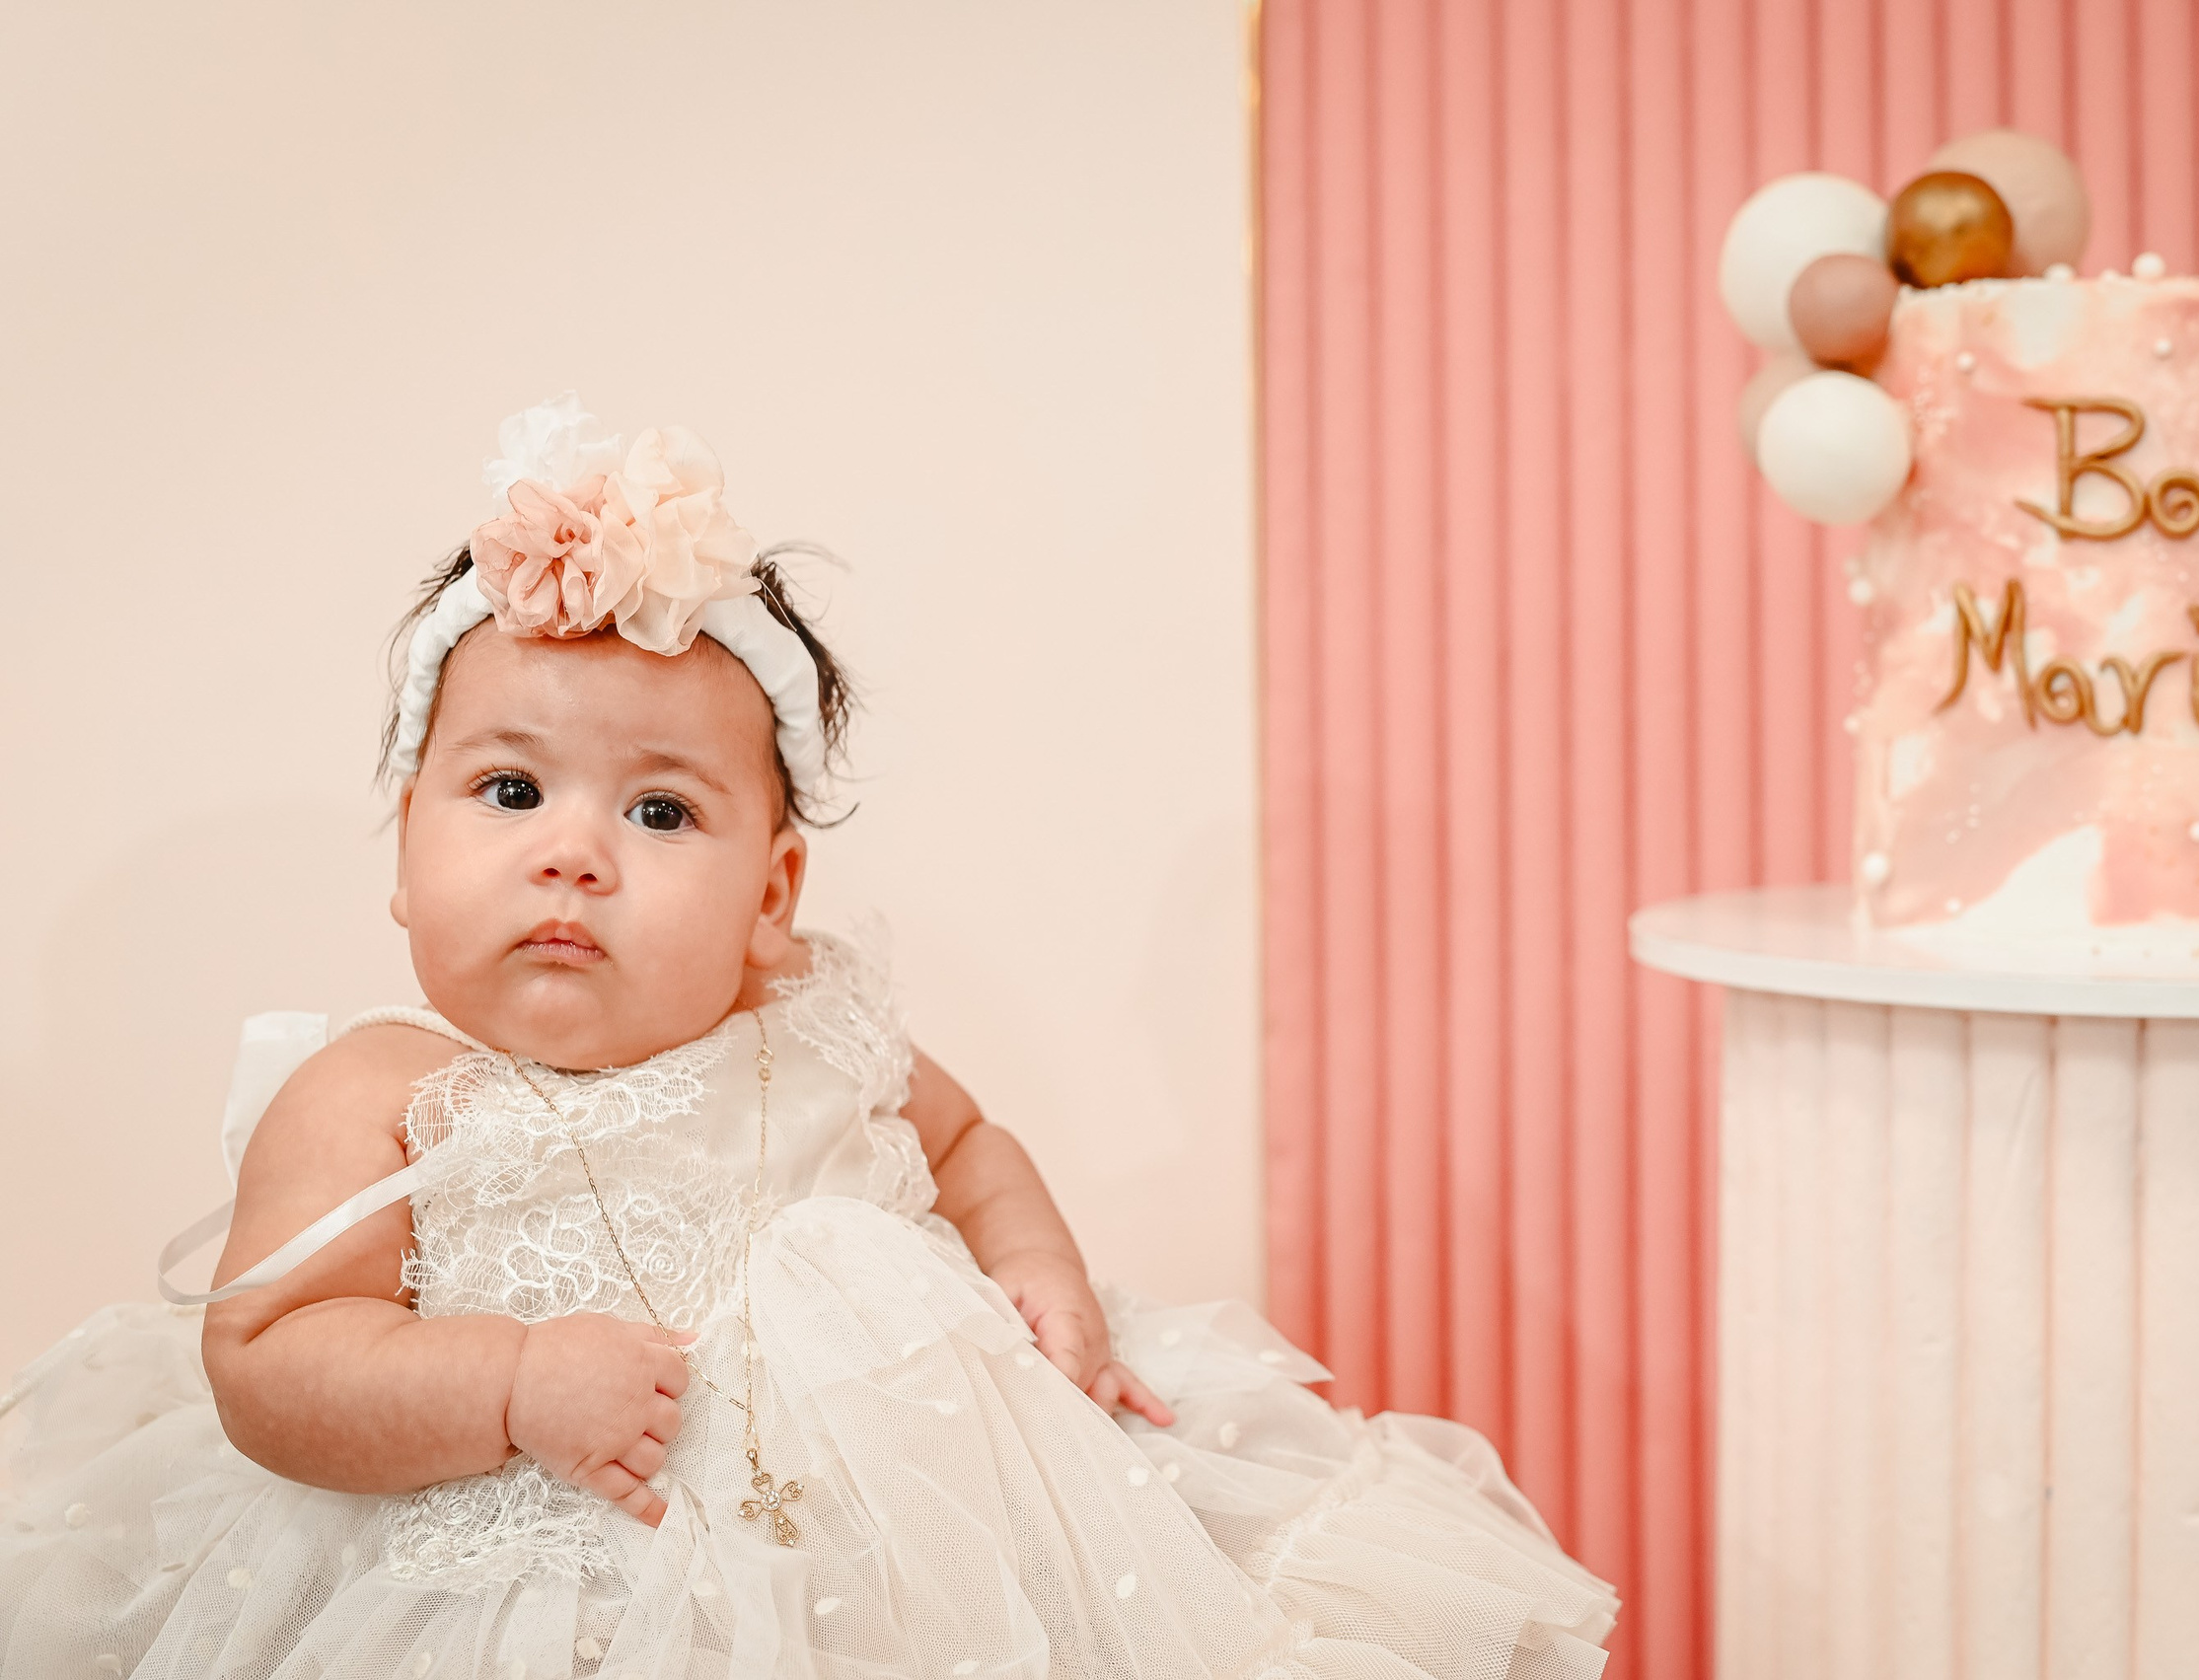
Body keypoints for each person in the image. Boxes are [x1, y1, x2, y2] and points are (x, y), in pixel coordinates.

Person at [0, 399, 1616, 1679]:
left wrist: (1037, 1273)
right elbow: (268, 1364)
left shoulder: (811, 1028)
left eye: (659, 808)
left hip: (901, 1557)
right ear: (406, 863)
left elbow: (971, 1147)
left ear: (773, 895)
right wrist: (504, 1382)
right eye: (509, 791)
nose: (574, 851)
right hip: (522, 1588)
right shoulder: (377, 1096)